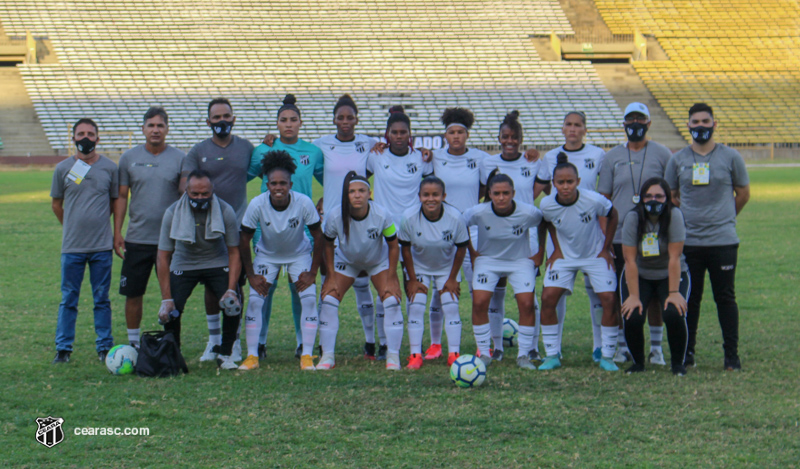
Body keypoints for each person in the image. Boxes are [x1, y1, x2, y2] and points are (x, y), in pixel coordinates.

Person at [665, 102, 750, 370]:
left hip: (723, 242)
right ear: (688, 125)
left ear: (714, 124)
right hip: (688, 243)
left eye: (705, 121)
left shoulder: (731, 157)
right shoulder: (678, 159)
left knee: (725, 298)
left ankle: (731, 356)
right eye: (695, 122)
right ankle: (687, 353)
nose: (700, 126)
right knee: (690, 299)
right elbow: (671, 196)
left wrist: (725, 218)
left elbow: (743, 193)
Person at [247, 94, 324, 360]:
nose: (288, 124)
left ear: (301, 123)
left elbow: (331, 180)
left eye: (293, 120)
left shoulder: (312, 151)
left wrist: (325, 200)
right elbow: (241, 176)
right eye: (283, 120)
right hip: (265, 229)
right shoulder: (262, 150)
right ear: (277, 124)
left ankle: (304, 342)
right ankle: (259, 342)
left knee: (300, 286)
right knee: (263, 289)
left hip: (300, 228)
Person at [597, 102, 674, 365]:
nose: (635, 124)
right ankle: (623, 345)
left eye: (640, 119)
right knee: (624, 290)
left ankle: (656, 348)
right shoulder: (612, 157)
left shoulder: (663, 154)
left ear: (649, 123)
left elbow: (672, 196)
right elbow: (603, 200)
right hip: (619, 236)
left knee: (651, 294)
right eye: (630, 120)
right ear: (624, 124)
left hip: (654, 236)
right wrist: (604, 238)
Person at [180, 98, 255, 362]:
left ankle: (232, 342)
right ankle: (213, 341)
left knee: (235, 284)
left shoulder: (246, 147)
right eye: (216, 117)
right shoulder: (198, 150)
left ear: (233, 118)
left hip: (239, 228)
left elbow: (264, 166)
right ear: (208, 121)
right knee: (212, 286)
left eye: (226, 116)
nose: (221, 121)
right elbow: (184, 185)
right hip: (208, 230)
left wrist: (270, 141)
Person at [238, 151, 324, 371]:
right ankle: (252, 356)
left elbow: (318, 236)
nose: (278, 187)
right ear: (267, 184)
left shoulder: (303, 202)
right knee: (256, 300)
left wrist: (312, 272)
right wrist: (251, 275)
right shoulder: (257, 204)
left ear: (290, 184)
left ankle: (306, 355)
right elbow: (244, 239)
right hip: (267, 255)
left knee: (308, 298)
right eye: (274, 183)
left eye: (283, 183)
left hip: (299, 254)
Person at [539, 154, 620, 371]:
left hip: (595, 255)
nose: (565, 187)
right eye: (560, 182)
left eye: (570, 182)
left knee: (609, 300)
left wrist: (606, 247)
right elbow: (545, 223)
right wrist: (555, 248)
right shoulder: (547, 204)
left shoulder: (593, 199)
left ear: (578, 182)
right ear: (553, 183)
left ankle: (608, 355)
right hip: (565, 257)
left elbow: (614, 215)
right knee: (547, 298)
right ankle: (552, 355)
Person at [536, 111, 606, 362]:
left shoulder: (598, 154)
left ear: (585, 129)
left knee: (596, 291)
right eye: (569, 124)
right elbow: (541, 187)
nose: (573, 129)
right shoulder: (551, 156)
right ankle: (555, 349)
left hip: (591, 232)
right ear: (562, 128)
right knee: (556, 291)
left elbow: (604, 192)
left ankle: (600, 347)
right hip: (562, 234)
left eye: (578, 125)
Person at [113, 107, 184, 348]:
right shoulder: (128, 158)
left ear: (167, 129)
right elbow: (122, 197)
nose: (155, 130)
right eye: (151, 125)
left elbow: (186, 197)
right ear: (143, 129)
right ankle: (133, 345)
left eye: (160, 126)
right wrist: (117, 232)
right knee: (133, 293)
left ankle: (172, 343)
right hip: (137, 238)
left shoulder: (179, 158)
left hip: (169, 240)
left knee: (172, 295)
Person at [421, 107, 488, 361]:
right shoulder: (435, 157)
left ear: (467, 135)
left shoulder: (480, 158)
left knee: (477, 289)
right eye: (452, 132)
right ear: (445, 135)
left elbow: (486, 186)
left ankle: (483, 344)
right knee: (441, 289)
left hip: (471, 230)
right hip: (441, 230)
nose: (456, 136)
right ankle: (436, 344)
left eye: (461, 132)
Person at [156, 170, 242, 369]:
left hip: (216, 260)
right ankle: (173, 355)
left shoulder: (225, 210)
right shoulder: (172, 212)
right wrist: (166, 299)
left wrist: (231, 289)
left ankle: (226, 353)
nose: (200, 198)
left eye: (205, 194)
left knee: (232, 304)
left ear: (213, 191)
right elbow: (163, 255)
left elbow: (234, 252)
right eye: (195, 194)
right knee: (172, 310)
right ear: (186, 191)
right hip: (184, 263)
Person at [50, 118, 119, 364]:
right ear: (73, 138)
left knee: (102, 299)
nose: (86, 138)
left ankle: (104, 347)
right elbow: (56, 204)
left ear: (98, 138)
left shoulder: (110, 168)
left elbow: (114, 202)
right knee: (69, 298)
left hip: (101, 246)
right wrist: (70, 225)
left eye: (91, 133)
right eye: (81, 133)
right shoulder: (62, 168)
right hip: (72, 248)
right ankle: (63, 348)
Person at [479, 110, 546, 361]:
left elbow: (540, 191)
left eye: (514, 137)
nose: (509, 141)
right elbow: (484, 196)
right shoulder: (488, 163)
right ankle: (496, 348)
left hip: (526, 237)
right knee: (496, 290)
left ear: (521, 138)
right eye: (505, 136)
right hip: (496, 235)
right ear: (498, 138)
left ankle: (531, 347)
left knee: (529, 296)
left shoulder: (532, 162)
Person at [318, 172, 403, 370]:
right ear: (346, 195)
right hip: (347, 261)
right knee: (329, 300)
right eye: (352, 191)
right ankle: (327, 356)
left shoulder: (381, 214)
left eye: (361, 191)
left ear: (369, 193)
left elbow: (393, 245)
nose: (357, 195)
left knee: (391, 301)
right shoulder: (335, 215)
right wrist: (330, 276)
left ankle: (393, 356)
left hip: (377, 262)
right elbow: (328, 245)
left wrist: (392, 277)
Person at [366, 105, 432, 359]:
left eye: (403, 132)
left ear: (410, 135)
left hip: (415, 230)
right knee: (386, 286)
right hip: (384, 231)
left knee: (414, 284)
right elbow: (358, 179)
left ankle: (416, 345)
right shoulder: (376, 157)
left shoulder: (422, 159)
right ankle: (385, 343)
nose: (399, 136)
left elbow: (431, 187)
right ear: (387, 135)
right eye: (394, 132)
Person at [463, 173, 545, 369]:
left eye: (506, 193)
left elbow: (544, 223)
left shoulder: (529, 212)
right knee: (480, 301)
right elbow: (461, 224)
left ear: (513, 193)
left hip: (519, 261)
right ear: (489, 194)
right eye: (497, 193)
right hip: (488, 261)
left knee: (526, 304)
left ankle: (523, 355)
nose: (501, 197)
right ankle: (484, 353)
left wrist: (540, 253)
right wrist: (472, 252)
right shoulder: (478, 212)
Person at [620, 177, 690, 375]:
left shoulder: (674, 215)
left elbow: (675, 256)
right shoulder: (633, 218)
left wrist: (674, 292)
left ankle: (678, 364)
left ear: (667, 198)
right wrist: (634, 296)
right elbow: (630, 260)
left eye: (659, 196)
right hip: (640, 273)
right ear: (641, 198)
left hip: (670, 272)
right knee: (632, 315)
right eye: (648, 196)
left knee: (673, 312)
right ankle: (638, 363)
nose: (653, 200)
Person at [399, 176, 469, 368]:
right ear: (419, 196)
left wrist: (453, 278)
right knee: (416, 306)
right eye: (426, 195)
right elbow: (405, 248)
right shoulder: (409, 217)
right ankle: (415, 355)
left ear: (443, 196)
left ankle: (453, 354)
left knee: (451, 306)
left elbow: (461, 248)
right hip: (419, 266)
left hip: (446, 267)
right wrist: (411, 279)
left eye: (435, 195)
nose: (431, 199)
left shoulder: (455, 217)